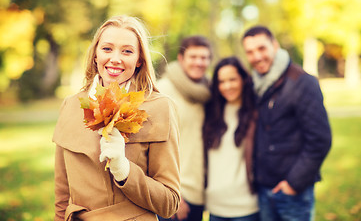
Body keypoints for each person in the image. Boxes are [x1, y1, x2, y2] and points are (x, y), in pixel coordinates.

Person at [53, 15, 180, 221]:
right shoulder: (71, 105)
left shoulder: (159, 107)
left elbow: (169, 203)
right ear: (95, 54)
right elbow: (62, 194)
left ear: (139, 60)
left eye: (127, 51)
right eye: (107, 49)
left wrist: (124, 170)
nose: (115, 58)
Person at [241, 25, 332, 221]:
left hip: (293, 193)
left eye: (261, 48)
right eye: (250, 52)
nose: (256, 57)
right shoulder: (255, 84)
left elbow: (320, 140)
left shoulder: (302, 82)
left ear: (275, 45)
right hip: (263, 190)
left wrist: (293, 183)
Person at [157, 35, 212, 221]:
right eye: (193, 57)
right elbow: (151, 147)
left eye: (203, 57)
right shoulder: (163, 90)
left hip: (200, 193)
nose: (199, 62)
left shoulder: (209, 93)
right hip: (175, 194)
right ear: (181, 59)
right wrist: (173, 194)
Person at [203, 57, 260, 221]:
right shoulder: (212, 113)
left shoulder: (255, 113)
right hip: (215, 207)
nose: (227, 86)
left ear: (244, 79)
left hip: (246, 207)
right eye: (221, 81)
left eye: (232, 79)